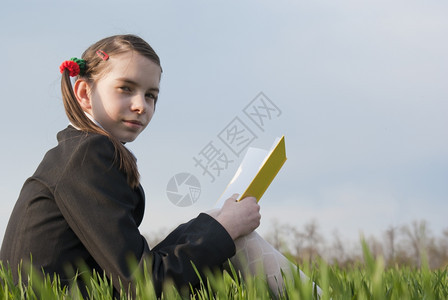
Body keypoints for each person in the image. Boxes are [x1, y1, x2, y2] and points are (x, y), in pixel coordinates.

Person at [0, 34, 261, 297]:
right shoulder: (88, 154)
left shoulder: (79, 150)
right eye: (126, 88)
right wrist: (225, 229)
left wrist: (216, 224)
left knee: (214, 228)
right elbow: (144, 283)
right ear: (84, 93)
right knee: (225, 234)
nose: (141, 106)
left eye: (151, 95)